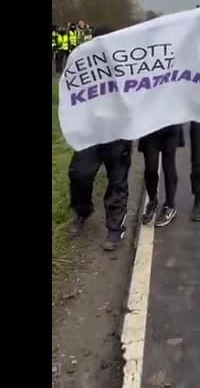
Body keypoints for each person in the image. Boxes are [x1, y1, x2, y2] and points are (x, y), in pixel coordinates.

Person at [65, 28, 131, 250]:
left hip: (117, 133)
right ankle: (82, 211)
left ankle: (115, 229)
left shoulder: (126, 66)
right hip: (91, 132)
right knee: (79, 174)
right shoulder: (85, 66)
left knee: (117, 181)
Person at [139, 123, 180, 227]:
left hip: (170, 126)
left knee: (169, 167)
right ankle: (152, 200)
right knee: (150, 168)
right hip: (150, 127)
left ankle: (170, 205)